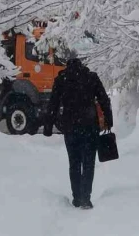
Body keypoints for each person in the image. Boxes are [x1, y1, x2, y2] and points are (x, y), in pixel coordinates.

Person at [43, 57, 113, 210]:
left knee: (74, 163)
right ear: (82, 66)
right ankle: (86, 199)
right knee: (88, 164)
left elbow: (53, 104)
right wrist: (109, 120)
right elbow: (104, 100)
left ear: (67, 66)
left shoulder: (62, 79)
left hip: (70, 127)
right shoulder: (91, 77)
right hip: (90, 127)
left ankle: (76, 198)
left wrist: (48, 126)